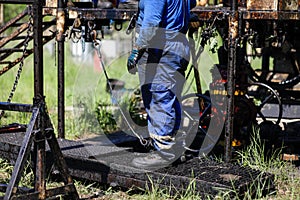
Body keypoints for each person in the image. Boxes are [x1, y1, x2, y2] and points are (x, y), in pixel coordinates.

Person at [127, 0, 196, 169]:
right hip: (178, 45)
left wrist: (137, 50)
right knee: (171, 97)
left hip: (161, 46)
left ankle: (163, 153)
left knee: (159, 96)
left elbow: (152, 23)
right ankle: (173, 147)